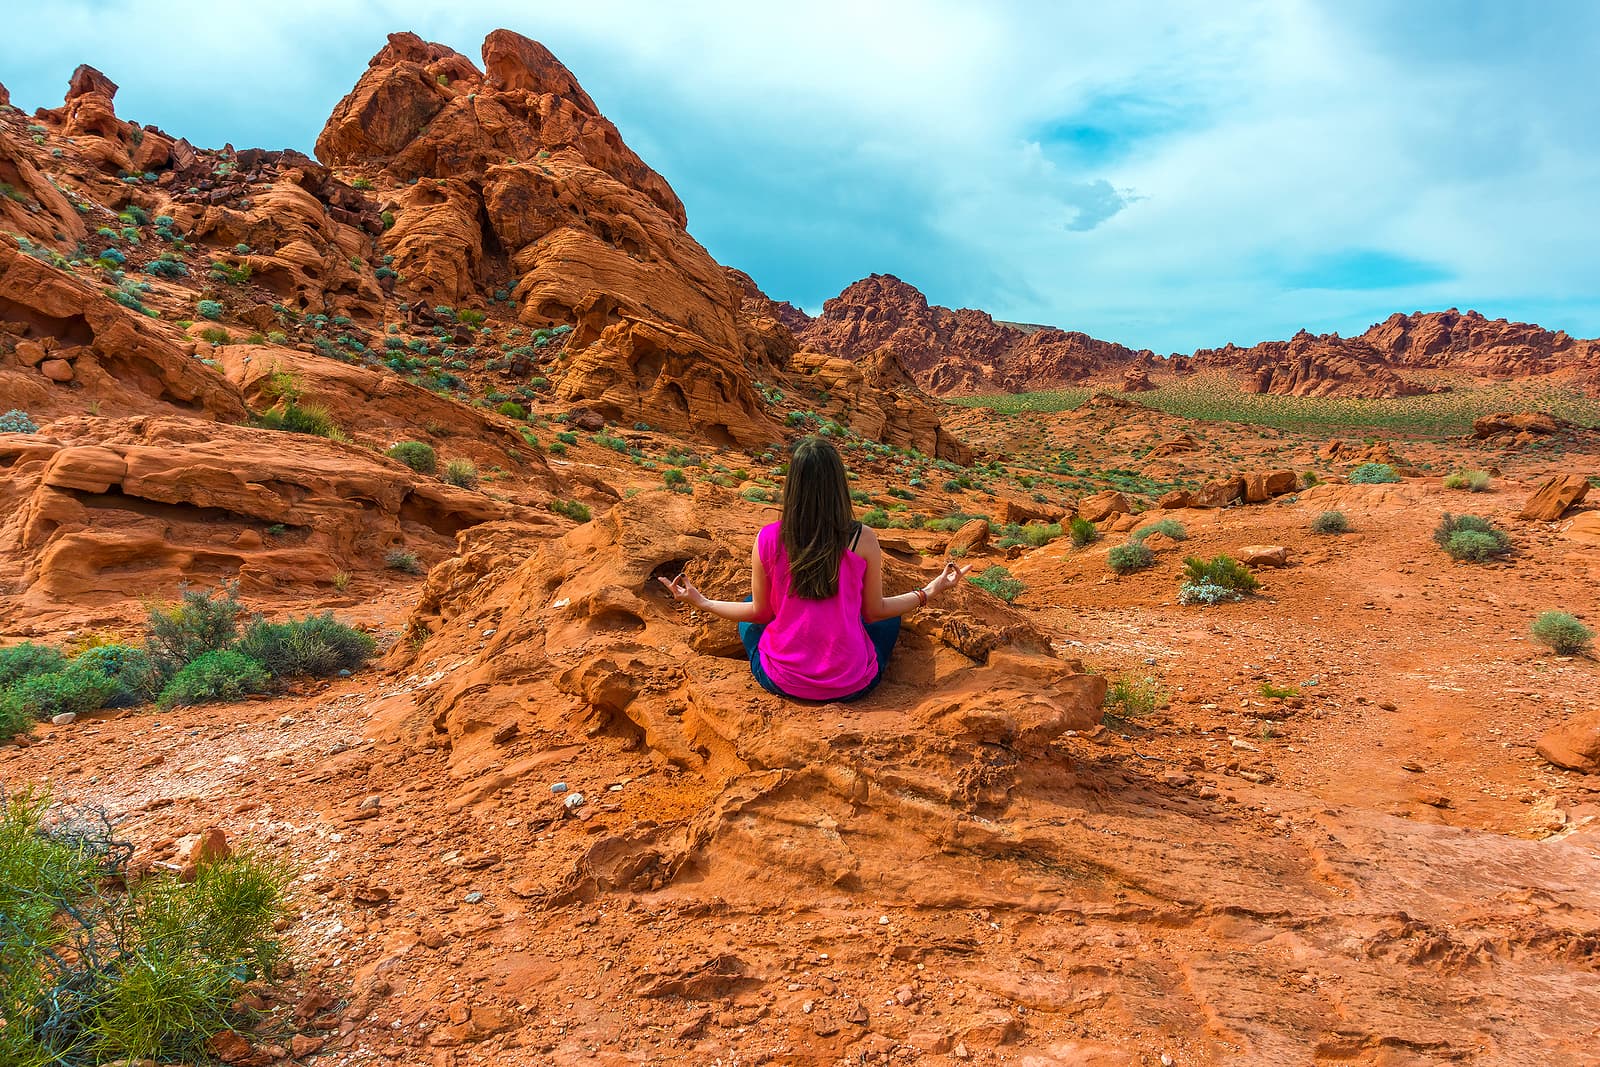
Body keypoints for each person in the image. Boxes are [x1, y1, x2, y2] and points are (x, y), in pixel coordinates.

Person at [658, 436, 970, 702]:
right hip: (851, 686)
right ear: (838, 485)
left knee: (749, 616)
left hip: (782, 681)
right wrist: (930, 590)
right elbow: (874, 612)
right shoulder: (862, 539)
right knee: (886, 622)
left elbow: (760, 613)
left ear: (792, 484)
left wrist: (701, 601)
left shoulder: (768, 539)